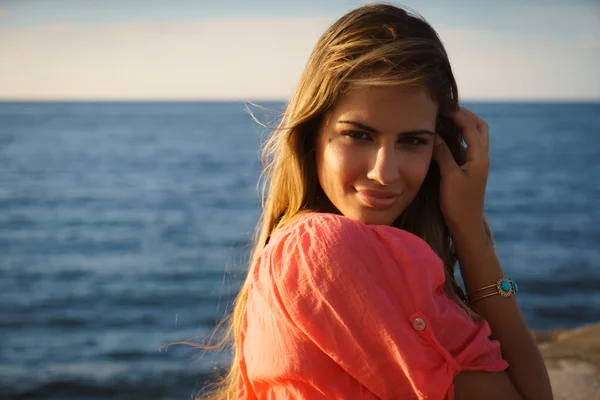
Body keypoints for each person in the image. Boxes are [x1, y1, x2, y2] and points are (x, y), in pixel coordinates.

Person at [199, 3, 553, 399]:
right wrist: (470, 233)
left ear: (439, 150)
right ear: (314, 133)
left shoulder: (306, 248)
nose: (383, 173)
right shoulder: (324, 247)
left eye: (412, 141)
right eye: (359, 135)